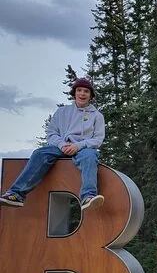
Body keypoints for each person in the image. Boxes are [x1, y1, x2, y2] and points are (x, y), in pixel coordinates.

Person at [0, 78, 105, 211]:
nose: (82, 94)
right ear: (74, 93)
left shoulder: (97, 116)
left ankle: (88, 196)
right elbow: (52, 133)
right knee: (40, 153)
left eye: (86, 91)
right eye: (79, 90)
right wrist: (62, 145)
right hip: (61, 146)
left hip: (83, 148)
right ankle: (16, 194)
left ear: (91, 95)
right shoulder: (62, 112)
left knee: (90, 155)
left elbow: (98, 139)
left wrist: (77, 146)